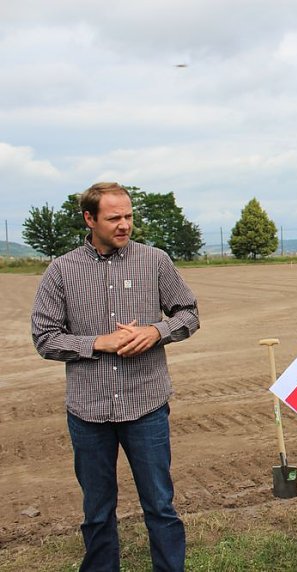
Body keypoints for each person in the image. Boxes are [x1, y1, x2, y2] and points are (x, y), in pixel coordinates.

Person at [31, 182, 200, 571]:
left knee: (160, 504)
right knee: (97, 509)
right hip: (88, 412)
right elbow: (45, 338)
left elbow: (188, 313)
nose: (124, 225)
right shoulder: (61, 270)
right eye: (114, 218)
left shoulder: (155, 260)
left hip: (147, 406)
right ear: (90, 219)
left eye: (128, 216)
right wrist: (100, 343)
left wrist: (155, 332)